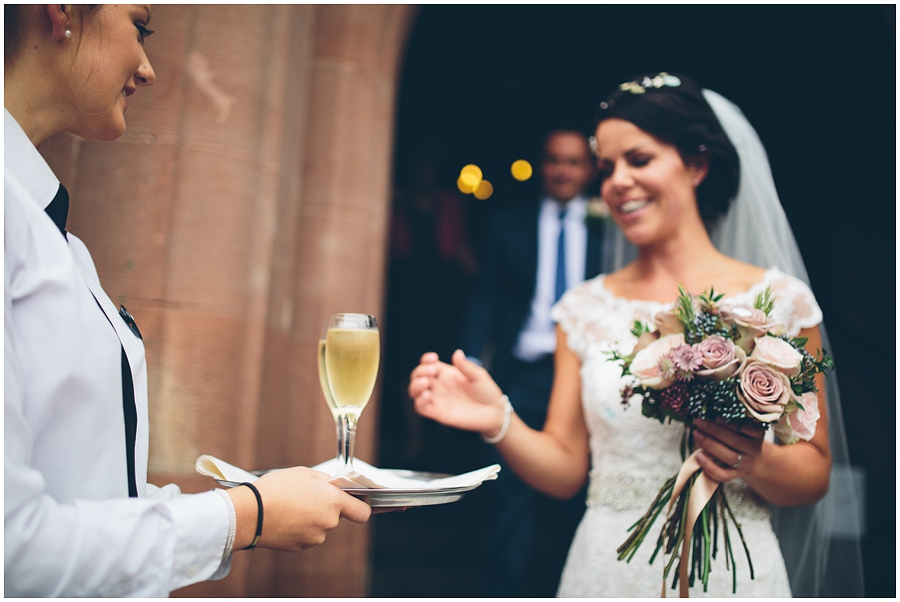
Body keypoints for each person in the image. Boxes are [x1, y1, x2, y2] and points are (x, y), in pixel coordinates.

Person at [409, 72, 863, 596]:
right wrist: (500, 422)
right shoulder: (582, 308)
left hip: (735, 576)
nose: (616, 181)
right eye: (606, 168)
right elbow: (564, 470)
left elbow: (814, 474)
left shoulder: (781, 302)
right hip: (606, 569)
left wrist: (754, 461)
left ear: (696, 164)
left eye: (638, 160)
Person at [4, 5, 371, 596]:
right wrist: (244, 515)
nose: (147, 68)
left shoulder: (61, 240)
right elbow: (12, 548)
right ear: (62, 10)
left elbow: (94, 489)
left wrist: (254, 503)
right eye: (140, 26)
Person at [459, 128, 600, 596]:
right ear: (543, 165)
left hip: (588, 377)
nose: (563, 170)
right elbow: (488, 297)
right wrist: (470, 360)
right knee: (509, 493)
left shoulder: (611, 227)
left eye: (574, 162)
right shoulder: (508, 223)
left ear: (590, 168)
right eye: (554, 160)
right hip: (524, 375)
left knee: (578, 493)